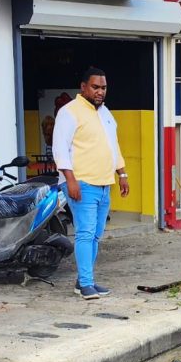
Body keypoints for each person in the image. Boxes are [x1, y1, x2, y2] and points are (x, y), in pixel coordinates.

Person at [52, 67, 130, 300]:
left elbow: (113, 145)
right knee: (85, 234)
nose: (100, 92)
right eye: (95, 87)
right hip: (82, 182)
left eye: (103, 87)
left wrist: (122, 174)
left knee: (95, 235)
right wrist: (70, 180)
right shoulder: (69, 112)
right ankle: (86, 283)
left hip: (105, 182)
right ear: (83, 87)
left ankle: (83, 281)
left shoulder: (105, 113)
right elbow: (60, 148)